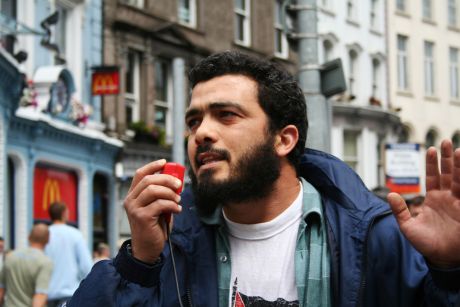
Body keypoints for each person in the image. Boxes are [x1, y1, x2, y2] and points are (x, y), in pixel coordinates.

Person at [69, 51, 460, 306]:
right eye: (193, 120)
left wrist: (449, 269)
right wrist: (138, 263)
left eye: (226, 115)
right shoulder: (171, 242)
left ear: (284, 139)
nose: (201, 133)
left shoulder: (373, 235)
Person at [45, 202, 92, 307]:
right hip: (70, 293)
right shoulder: (75, 234)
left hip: (46, 294)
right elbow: (86, 266)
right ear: (64, 213)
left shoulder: (44, 234)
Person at [0, 224, 53, 307]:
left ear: (29, 237)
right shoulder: (44, 262)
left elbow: (1, 290)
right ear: (48, 240)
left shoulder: (10, 257)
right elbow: (40, 295)